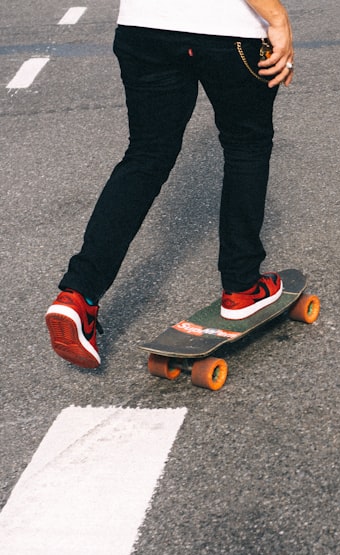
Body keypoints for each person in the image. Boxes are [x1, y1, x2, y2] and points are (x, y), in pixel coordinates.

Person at [44, 0, 296, 369]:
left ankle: (77, 295)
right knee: (246, 145)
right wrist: (277, 18)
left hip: (143, 27)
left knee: (146, 156)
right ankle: (242, 289)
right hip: (227, 28)